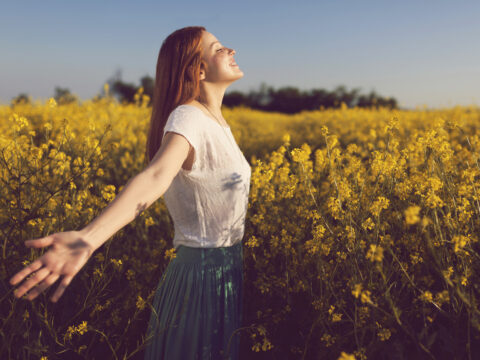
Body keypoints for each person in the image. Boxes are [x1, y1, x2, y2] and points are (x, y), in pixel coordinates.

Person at [9, 26, 251, 359]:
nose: (231, 51)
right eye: (219, 48)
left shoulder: (216, 121)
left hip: (225, 271)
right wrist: (89, 238)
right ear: (198, 69)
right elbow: (155, 176)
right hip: (200, 278)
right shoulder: (188, 117)